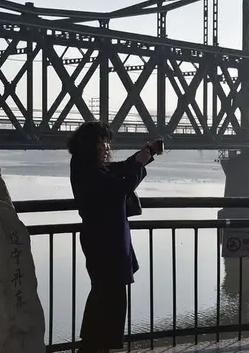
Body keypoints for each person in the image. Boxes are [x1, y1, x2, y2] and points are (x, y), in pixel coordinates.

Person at [67, 121, 160, 352]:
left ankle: (95, 345)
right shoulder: (88, 171)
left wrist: (143, 155)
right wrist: (138, 165)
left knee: (106, 295)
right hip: (105, 242)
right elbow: (121, 186)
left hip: (105, 240)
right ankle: (95, 346)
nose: (108, 148)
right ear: (93, 145)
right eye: (104, 143)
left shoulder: (87, 167)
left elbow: (117, 170)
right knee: (108, 298)